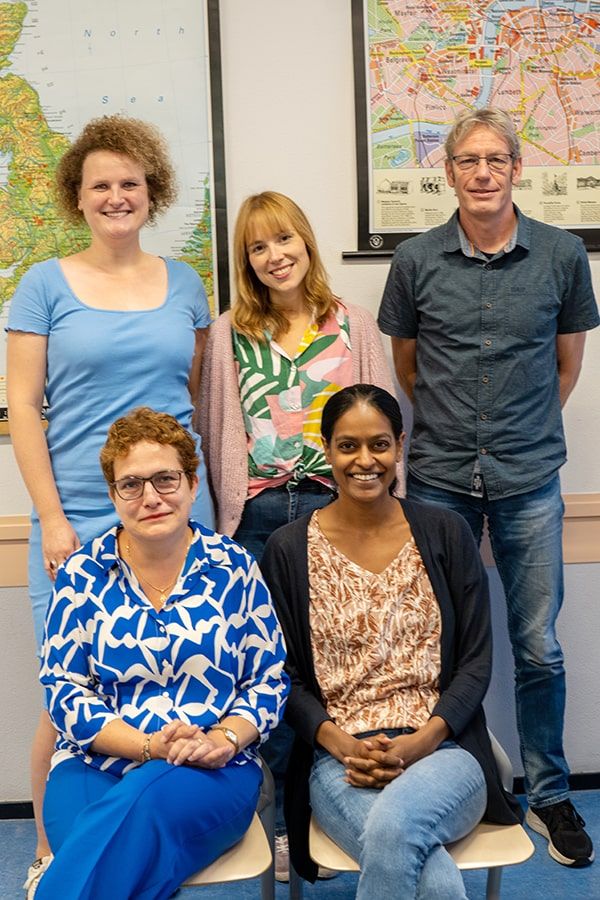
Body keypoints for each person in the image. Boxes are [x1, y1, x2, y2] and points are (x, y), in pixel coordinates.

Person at [378, 107, 599, 868]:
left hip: (530, 476)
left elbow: (566, 366)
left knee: (537, 646)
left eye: (495, 160)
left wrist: (517, 431)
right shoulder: (414, 260)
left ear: (515, 169)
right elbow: (409, 368)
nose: (482, 173)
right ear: (448, 173)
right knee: (432, 644)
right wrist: (457, 428)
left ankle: (548, 793)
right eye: (467, 161)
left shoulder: (564, 255)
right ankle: (447, 783)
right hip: (438, 477)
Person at [7, 114, 214, 895]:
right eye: (101, 184)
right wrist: (55, 518)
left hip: (168, 516)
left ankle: (139, 839)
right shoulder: (42, 285)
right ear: (78, 196)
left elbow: (187, 405)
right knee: (70, 694)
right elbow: (24, 408)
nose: (116, 195)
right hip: (76, 518)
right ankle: (48, 850)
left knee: (177, 679)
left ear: (150, 191)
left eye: (130, 182)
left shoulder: (186, 284)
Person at [198, 190, 401, 878]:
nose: (274, 255)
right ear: (246, 261)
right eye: (258, 247)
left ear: (306, 243)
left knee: (334, 672)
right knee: (266, 677)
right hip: (257, 519)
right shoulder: (229, 333)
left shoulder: (354, 325)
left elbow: (383, 422)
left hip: (332, 514)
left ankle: (332, 816)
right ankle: (278, 828)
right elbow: (214, 430)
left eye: (283, 240)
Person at [260, 384, 521, 897]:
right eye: (348, 445)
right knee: (433, 878)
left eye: (379, 444)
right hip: (341, 763)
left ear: (400, 445)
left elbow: (475, 662)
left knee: (395, 826)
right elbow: (281, 676)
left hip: (444, 752)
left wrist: (423, 740)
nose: (365, 461)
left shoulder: (445, 532)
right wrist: (339, 742)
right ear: (327, 450)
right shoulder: (288, 549)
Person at [33, 407, 288, 899]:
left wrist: (225, 739)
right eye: (131, 484)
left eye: (166, 479)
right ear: (113, 495)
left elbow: (268, 680)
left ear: (193, 484)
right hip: (95, 763)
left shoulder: (233, 568)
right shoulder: (82, 575)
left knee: (104, 848)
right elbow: (64, 691)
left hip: (213, 768)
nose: (150, 497)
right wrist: (150, 748)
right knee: (118, 860)